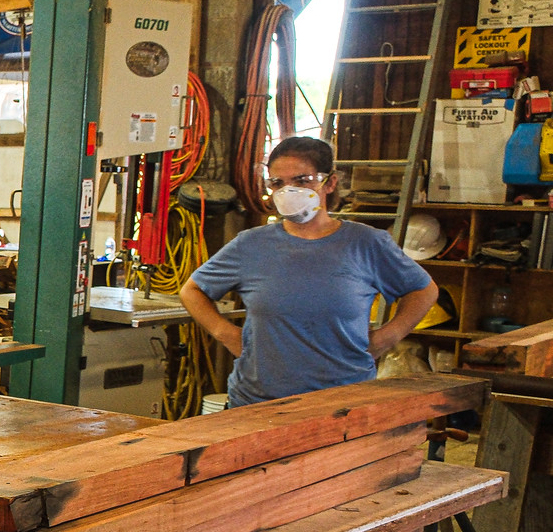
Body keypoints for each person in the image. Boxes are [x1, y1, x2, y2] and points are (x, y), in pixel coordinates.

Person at [182, 136, 441, 407]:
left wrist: (387, 337)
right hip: (258, 401)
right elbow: (193, 290)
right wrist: (226, 334)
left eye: (302, 181)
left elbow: (423, 289)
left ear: (329, 183)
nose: (288, 191)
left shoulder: (366, 243)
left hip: (341, 401)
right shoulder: (251, 245)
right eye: (278, 183)